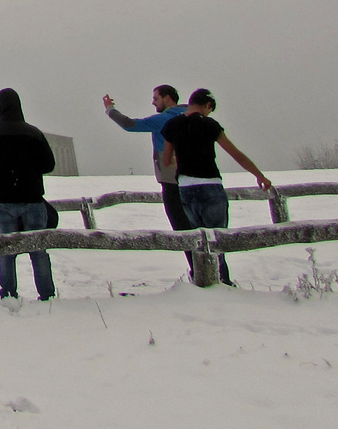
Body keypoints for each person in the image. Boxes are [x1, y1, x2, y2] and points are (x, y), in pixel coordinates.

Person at [161, 88, 271, 288]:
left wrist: (185, 157)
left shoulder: (172, 125)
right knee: (217, 239)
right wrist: (259, 175)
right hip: (210, 185)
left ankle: (204, 283)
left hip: (185, 187)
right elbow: (235, 153)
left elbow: (167, 161)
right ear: (207, 106)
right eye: (210, 110)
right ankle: (223, 283)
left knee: (198, 239)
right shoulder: (209, 125)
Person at [103, 85, 194, 273]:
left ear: (167, 98)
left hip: (172, 181)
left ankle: (199, 273)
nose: (153, 102)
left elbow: (129, 124)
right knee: (206, 231)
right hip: (197, 180)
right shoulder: (192, 116)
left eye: (156, 98)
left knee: (184, 230)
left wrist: (110, 109)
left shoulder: (164, 119)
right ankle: (218, 275)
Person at [0, 88, 57, 301]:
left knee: (6, 250)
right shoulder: (33, 132)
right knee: (38, 249)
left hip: (5, 201)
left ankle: (9, 294)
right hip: (33, 199)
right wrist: (29, 169)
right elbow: (49, 164)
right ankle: (47, 295)